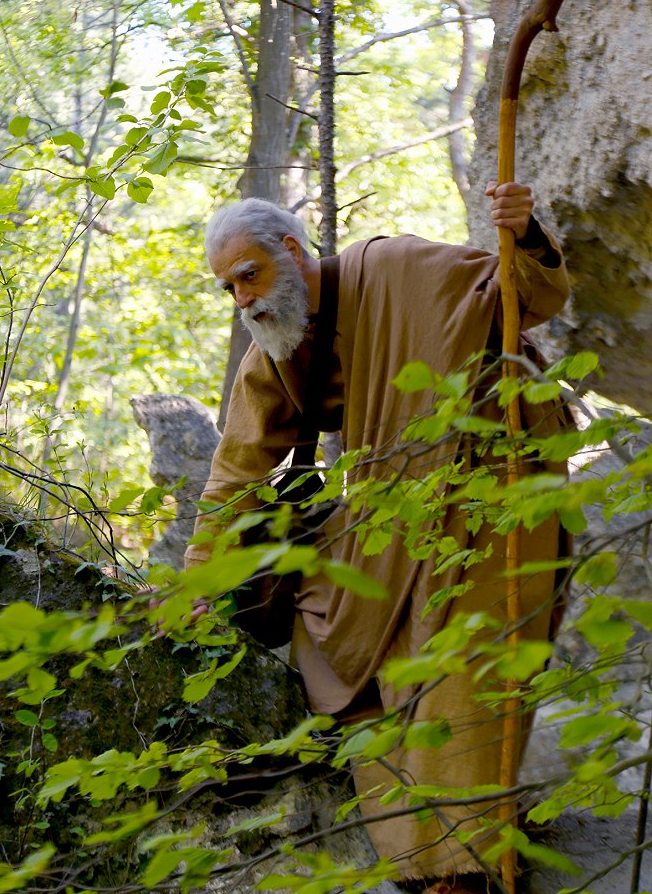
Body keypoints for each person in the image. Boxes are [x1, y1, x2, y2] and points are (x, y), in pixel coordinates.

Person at [184, 184, 571, 894]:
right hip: (391, 507)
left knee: (461, 665)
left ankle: (461, 864)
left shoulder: (396, 266)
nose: (241, 299)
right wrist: (197, 576)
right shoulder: (276, 339)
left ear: (292, 253)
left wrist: (527, 236)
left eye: (249, 275)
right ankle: (422, 849)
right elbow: (237, 463)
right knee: (323, 616)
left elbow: (525, 298)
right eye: (228, 288)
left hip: (495, 481)